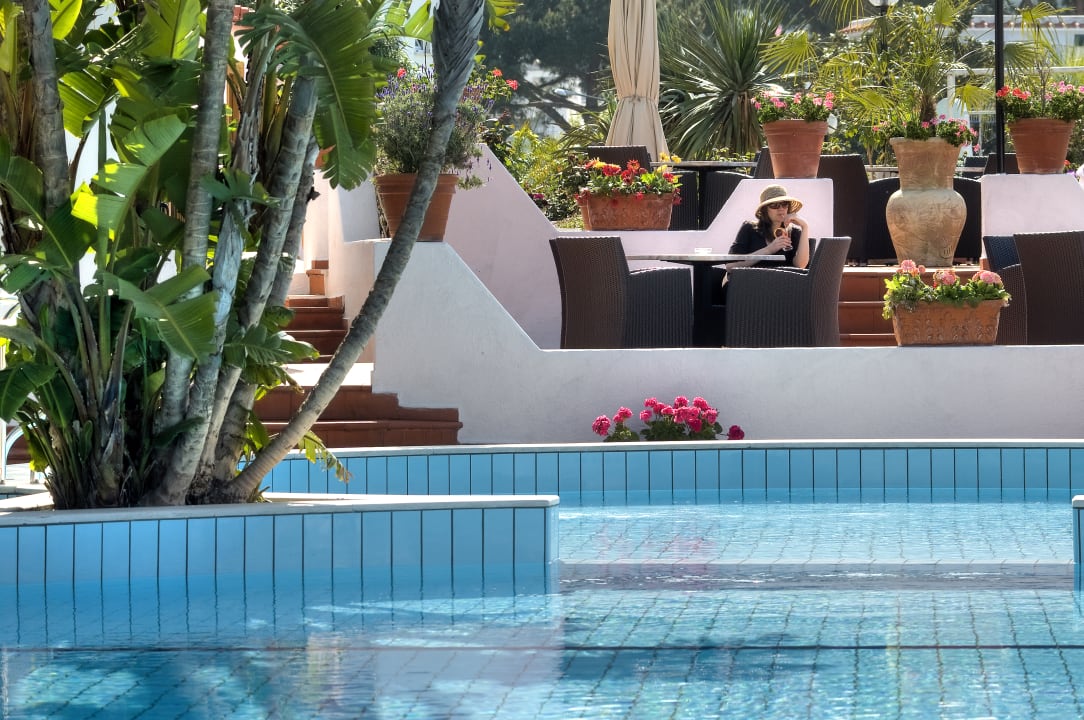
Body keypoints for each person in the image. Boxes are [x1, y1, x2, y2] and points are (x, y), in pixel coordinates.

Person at [727, 184, 811, 269]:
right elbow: (730, 266)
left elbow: (801, 265)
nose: (781, 209)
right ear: (765, 209)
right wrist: (769, 250)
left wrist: (805, 227)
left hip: (782, 278)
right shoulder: (749, 228)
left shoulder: (794, 233)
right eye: (774, 205)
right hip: (751, 277)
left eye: (784, 204)